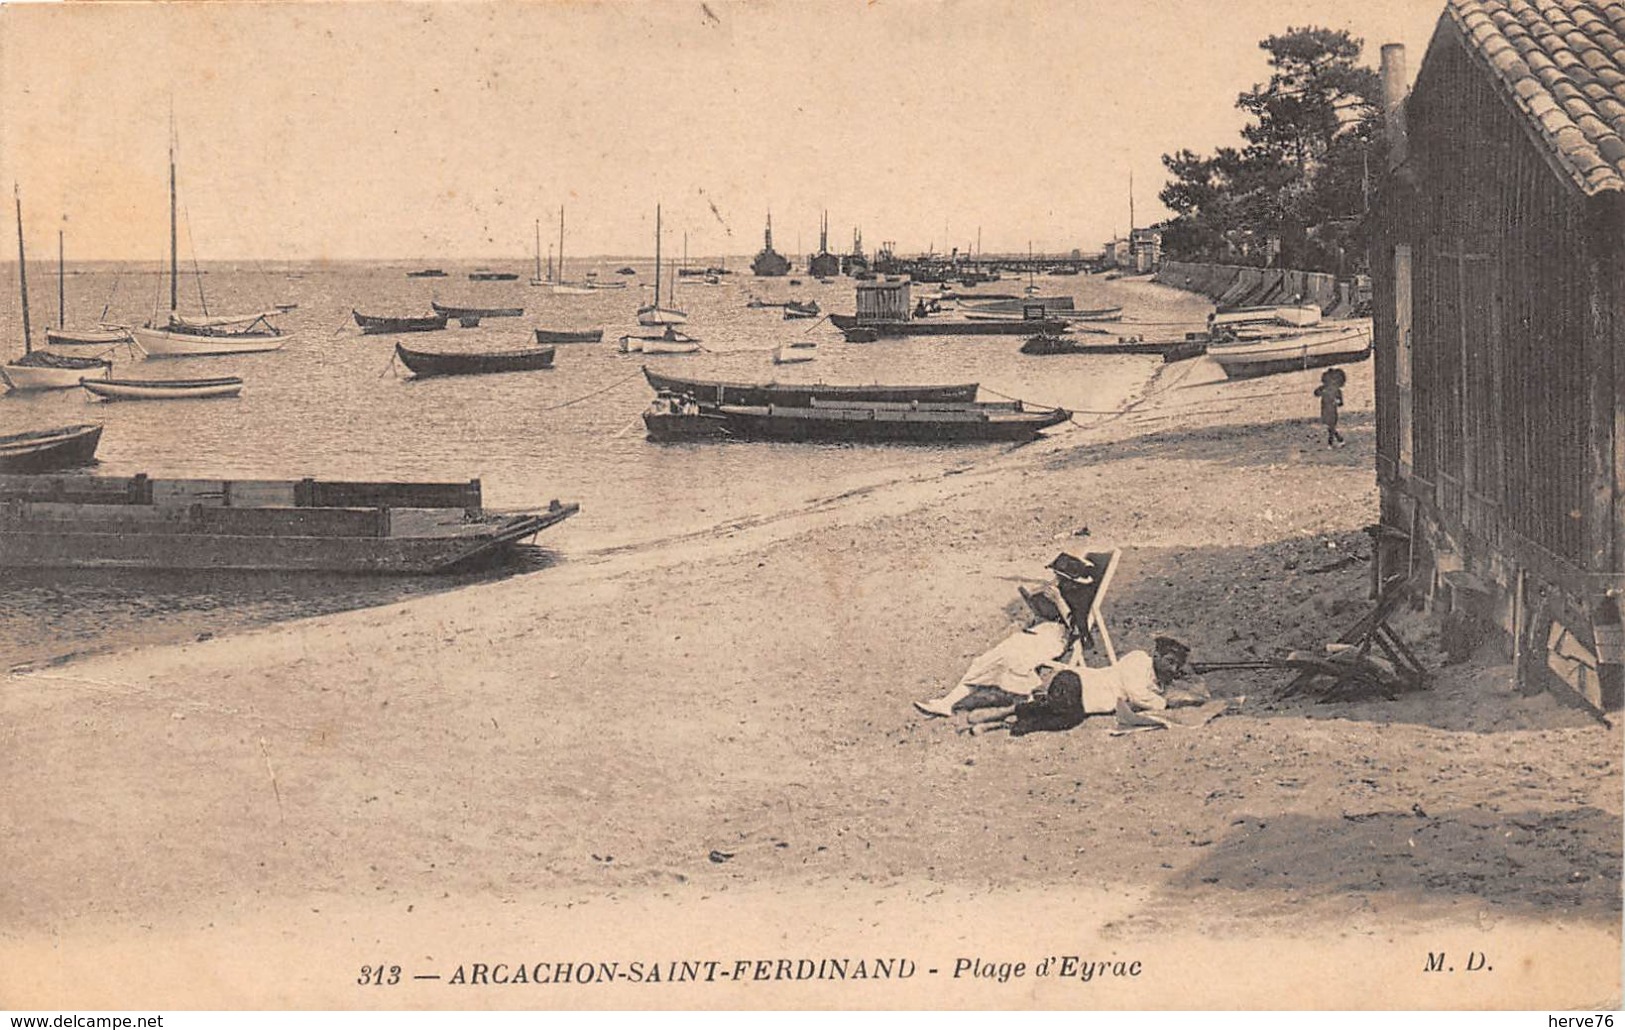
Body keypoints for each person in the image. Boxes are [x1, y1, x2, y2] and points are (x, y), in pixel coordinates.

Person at [1314, 367, 1346, 447]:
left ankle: (1331, 443)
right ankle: (1338, 440)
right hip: (1325, 410)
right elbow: (1316, 393)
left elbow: (1341, 403)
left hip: (1331, 411)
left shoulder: (1336, 390)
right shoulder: (1325, 388)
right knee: (1330, 427)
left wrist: (1337, 401)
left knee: (1331, 427)